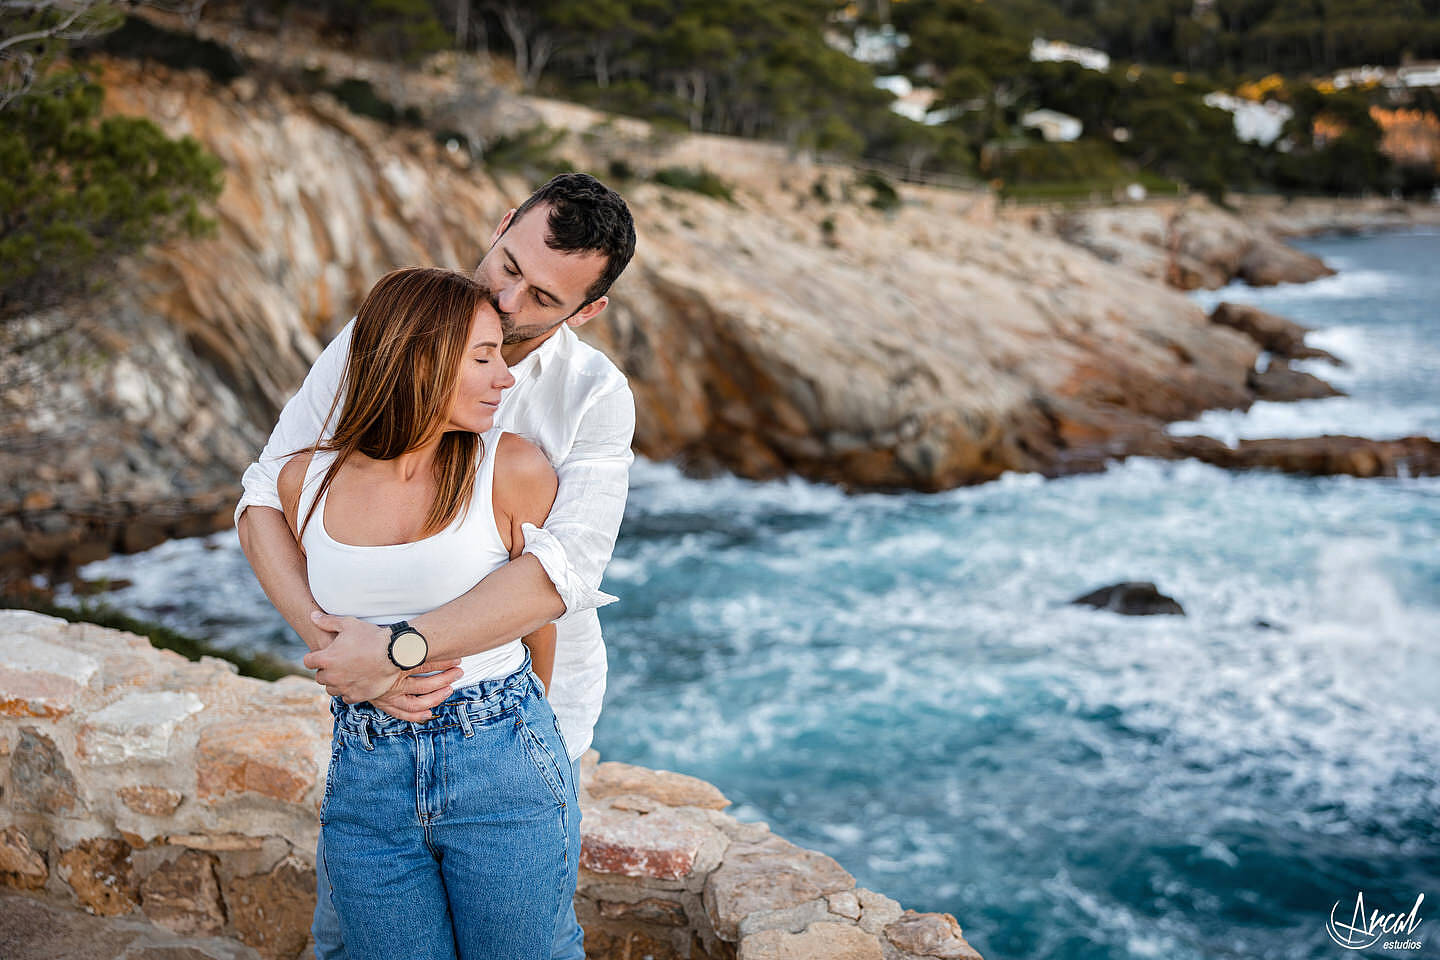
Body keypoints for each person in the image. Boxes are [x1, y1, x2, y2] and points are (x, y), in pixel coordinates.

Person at [234, 173, 638, 960]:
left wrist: (394, 652)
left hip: (517, 723)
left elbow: (558, 577)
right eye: (509, 263)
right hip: (370, 728)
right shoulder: (383, 339)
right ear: (497, 227)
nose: (510, 298)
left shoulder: (593, 398)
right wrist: (341, 655)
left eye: (544, 297)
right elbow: (266, 497)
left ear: (586, 311)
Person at [279, 266, 573, 960]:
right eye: (483, 358)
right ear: (418, 356)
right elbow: (305, 600)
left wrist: (516, 730)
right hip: (366, 768)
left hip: (502, 759)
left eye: (501, 355)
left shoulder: (514, 469)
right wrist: (354, 670)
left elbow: (541, 618)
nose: (504, 377)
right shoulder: (304, 481)